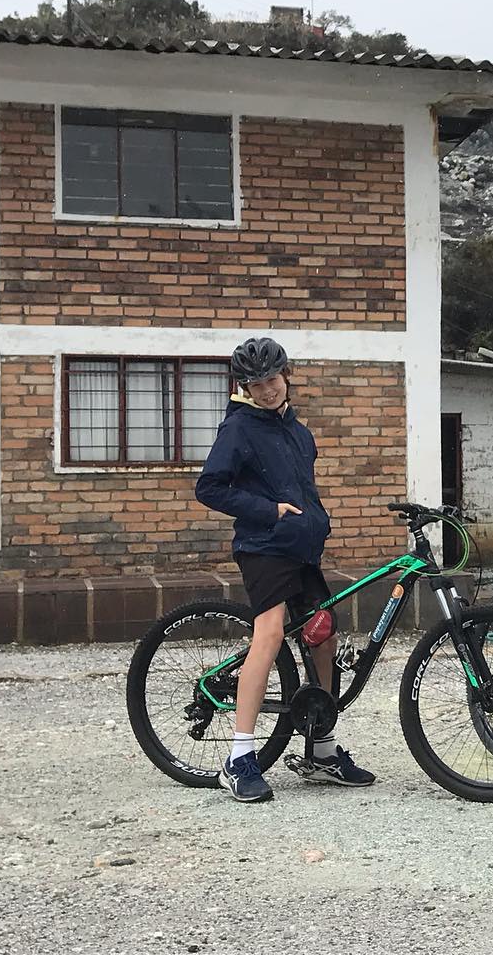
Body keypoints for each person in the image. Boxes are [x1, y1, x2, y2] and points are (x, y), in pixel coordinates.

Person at [196, 337, 374, 802]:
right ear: (245, 387)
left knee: (323, 635)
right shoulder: (239, 429)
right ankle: (240, 759)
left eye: (272, 379)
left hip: (300, 549)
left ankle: (321, 750)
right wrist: (268, 510)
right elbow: (209, 487)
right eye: (256, 384)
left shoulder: (299, 432)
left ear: (286, 375)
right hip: (262, 547)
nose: (267, 390)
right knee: (270, 633)